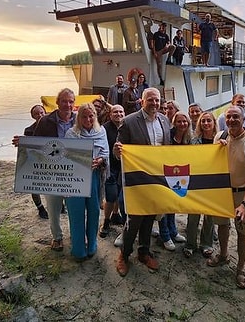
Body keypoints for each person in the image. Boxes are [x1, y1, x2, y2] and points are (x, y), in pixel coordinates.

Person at [113, 87, 172, 277]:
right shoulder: (129, 122)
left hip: (157, 179)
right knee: (134, 219)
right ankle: (124, 254)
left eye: (157, 100)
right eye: (151, 100)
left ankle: (144, 252)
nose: (154, 103)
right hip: (136, 180)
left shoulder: (164, 120)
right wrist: (117, 151)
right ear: (142, 101)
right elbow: (118, 154)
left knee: (149, 217)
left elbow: (168, 150)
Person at [208, 105, 245, 290]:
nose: (231, 120)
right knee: (222, 225)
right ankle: (223, 255)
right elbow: (211, 164)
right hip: (222, 191)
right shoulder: (219, 137)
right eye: (228, 117)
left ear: (243, 119)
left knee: (242, 232)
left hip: (243, 194)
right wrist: (216, 149)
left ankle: (240, 267)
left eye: (235, 117)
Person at [33, 88, 77, 252]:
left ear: (74, 103)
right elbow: (35, 142)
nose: (67, 104)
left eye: (71, 101)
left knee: (74, 206)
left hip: (74, 171)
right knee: (53, 206)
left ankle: (75, 235)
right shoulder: (45, 121)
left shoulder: (80, 119)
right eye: (64, 101)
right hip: (51, 171)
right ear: (57, 103)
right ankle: (57, 237)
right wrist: (22, 142)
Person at [65, 102, 109, 261]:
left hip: (94, 177)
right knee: (76, 213)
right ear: (79, 118)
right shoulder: (71, 133)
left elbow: (105, 152)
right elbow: (66, 156)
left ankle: (92, 244)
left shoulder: (101, 130)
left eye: (91, 116)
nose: (88, 119)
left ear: (95, 117)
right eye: (84, 116)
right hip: (75, 178)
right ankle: (78, 248)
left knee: (94, 211)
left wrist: (100, 161)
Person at [184, 111, 217, 258]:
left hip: (213, 182)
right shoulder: (194, 140)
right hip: (196, 181)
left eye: (208, 121)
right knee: (193, 215)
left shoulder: (220, 139)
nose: (206, 123)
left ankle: (206, 244)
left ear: (214, 122)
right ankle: (190, 243)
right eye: (203, 121)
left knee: (209, 216)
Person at [158, 112, 190, 251]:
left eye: (185, 121)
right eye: (179, 121)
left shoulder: (190, 138)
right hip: (165, 172)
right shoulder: (168, 135)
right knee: (163, 206)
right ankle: (165, 235)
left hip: (180, 174)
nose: (182, 124)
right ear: (174, 122)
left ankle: (173, 231)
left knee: (173, 204)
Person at [12, 104, 49, 219]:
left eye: (42, 112)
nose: (40, 115)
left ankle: (59, 204)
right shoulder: (28, 130)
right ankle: (40, 208)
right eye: (37, 114)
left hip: (49, 159)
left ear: (45, 112)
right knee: (34, 185)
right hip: (35, 160)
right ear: (33, 116)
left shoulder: (53, 127)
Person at [100, 104, 126, 239]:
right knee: (111, 196)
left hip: (125, 166)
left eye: (121, 112)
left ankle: (116, 215)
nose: (119, 114)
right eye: (115, 112)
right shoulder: (104, 128)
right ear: (110, 115)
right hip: (110, 167)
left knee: (120, 193)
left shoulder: (128, 127)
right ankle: (106, 221)